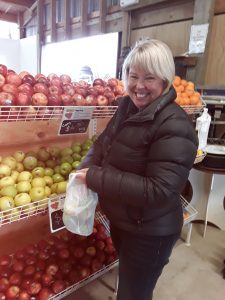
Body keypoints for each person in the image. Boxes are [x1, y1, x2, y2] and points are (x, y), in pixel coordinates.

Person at [76, 39, 198, 300]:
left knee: (134, 294)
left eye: (149, 78)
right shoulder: (127, 107)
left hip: (151, 232)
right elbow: (103, 143)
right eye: (133, 76)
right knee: (130, 287)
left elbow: (159, 190)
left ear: (165, 80)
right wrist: (83, 168)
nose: (139, 86)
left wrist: (96, 177)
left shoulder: (175, 125)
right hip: (126, 222)